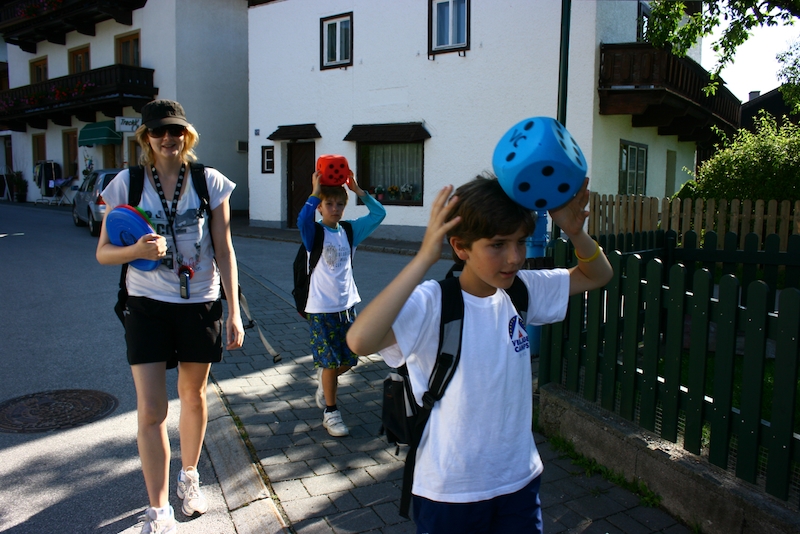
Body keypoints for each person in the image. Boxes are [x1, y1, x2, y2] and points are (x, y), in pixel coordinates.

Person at [346, 174, 613, 533]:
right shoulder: (433, 302)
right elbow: (359, 341)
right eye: (498, 244)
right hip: (450, 492)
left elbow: (597, 275)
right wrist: (423, 258)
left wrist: (575, 232)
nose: (514, 257)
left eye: (520, 242)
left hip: (518, 481)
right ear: (460, 247)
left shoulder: (521, 291)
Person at [96, 99, 245, 534]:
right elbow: (103, 252)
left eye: (175, 130)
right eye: (158, 131)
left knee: (193, 397)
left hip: (200, 302)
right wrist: (135, 250)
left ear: (187, 135)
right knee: (151, 409)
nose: (167, 138)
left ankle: (190, 476)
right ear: (146, 137)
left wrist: (234, 312)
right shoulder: (126, 184)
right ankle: (159, 510)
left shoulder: (209, 182)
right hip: (146, 305)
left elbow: (225, 250)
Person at [298, 170, 385, 437]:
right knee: (329, 362)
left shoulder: (349, 231)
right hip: (321, 310)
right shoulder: (314, 233)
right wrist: (315, 193)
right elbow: (302, 219)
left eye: (339, 204)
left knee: (351, 358)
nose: (334, 209)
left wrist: (358, 191)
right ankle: (331, 412)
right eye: (329, 204)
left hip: (347, 307)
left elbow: (378, 214)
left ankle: (326, 381)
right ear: (320, 206)